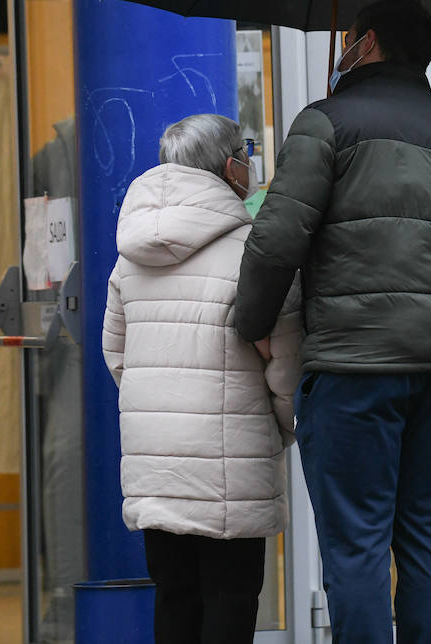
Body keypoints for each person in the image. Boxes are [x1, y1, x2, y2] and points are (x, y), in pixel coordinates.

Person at [235, 0, 431, 644]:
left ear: (366, 43)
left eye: (348, 39)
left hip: (354, 364)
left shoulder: (327, 123)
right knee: (430, 532)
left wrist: (252, 323)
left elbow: (275, 241)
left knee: (359, 544)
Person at [102, 114, 301, 643]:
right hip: (231, 458)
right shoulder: (251, 252)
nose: (251, 161)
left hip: (155, 457)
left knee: (174, 597)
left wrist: (160, 411)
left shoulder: (130, 254)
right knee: (231, 602)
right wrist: (284, 424)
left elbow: (115, 355)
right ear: (230, 164)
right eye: (246, 151)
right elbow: (284, 365)